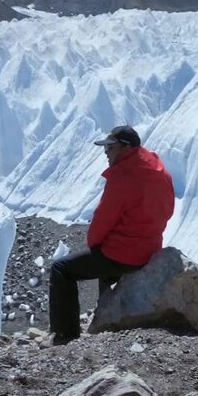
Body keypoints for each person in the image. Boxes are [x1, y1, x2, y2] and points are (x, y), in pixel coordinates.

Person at [43, 125, 175, 347]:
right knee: (107, 271)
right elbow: (168, 210)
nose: (106, 152)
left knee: (61, 270)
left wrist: (96, 246)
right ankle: (109, 320)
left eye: (110, 147)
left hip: (123, 255)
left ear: (126, 148)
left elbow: (103, 219)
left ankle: (64, 335)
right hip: (150, 249)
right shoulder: (159, 170)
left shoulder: (123, 176)